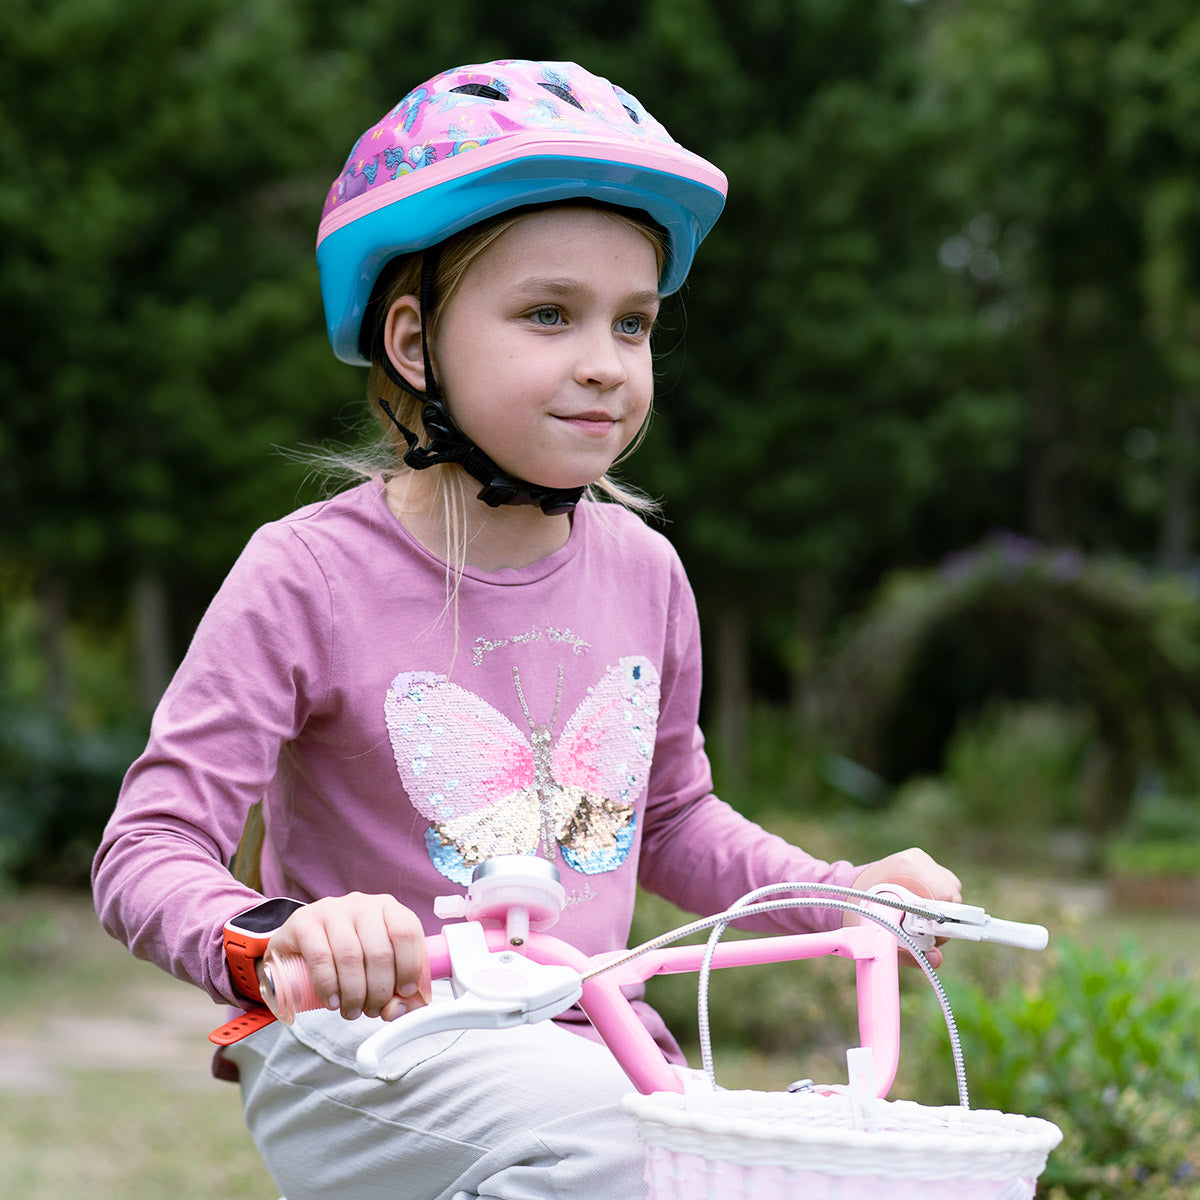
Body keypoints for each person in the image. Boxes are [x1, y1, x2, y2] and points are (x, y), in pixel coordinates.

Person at [92, 59, 961, 1200]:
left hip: (593, 1043)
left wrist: (844, 895)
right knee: (632, 1153)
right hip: (366, 1048)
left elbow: (669, 818)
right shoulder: (305, 575)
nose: (605, 362)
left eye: (635, 323)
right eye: (549, 314)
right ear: (414, 344)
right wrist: (283, 933)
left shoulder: (645, 572)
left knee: (803, 1169)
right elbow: (144, 851)